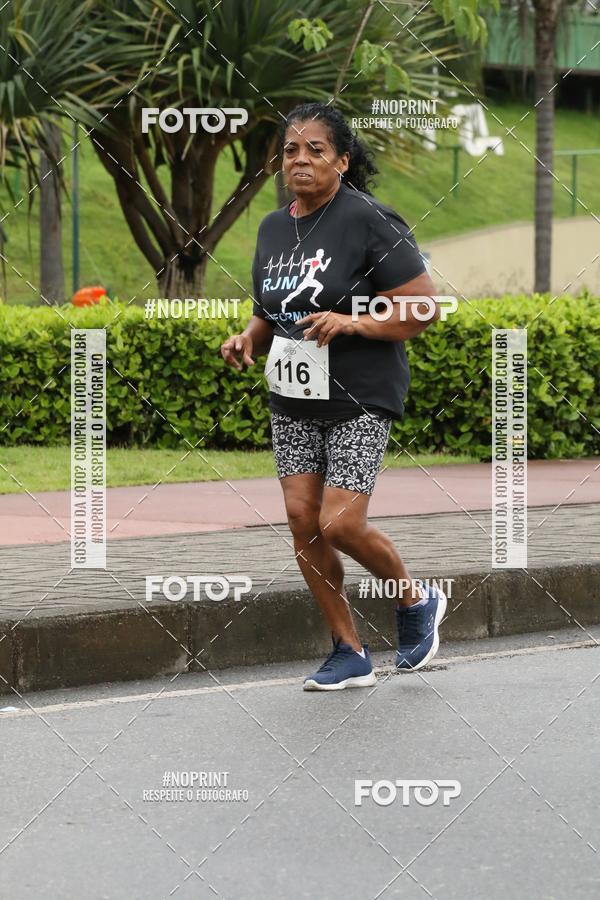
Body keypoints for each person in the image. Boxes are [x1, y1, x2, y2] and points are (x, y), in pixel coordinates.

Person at [220, 102, 446, 691]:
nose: (300, 160)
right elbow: (270, 310)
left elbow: (424, 308)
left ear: (342, 161)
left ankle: (414, 599)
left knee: (340, 523)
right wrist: (248, 337)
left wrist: (353, 323)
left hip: (361, 394)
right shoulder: (273, 228)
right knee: (303, 521)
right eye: (290, 150)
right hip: (294, 396)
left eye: (315, 149)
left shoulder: (369, 219)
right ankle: (349, 650)